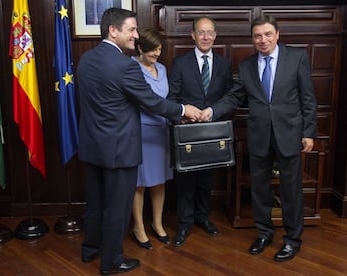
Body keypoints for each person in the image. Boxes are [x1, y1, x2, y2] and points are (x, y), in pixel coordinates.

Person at [76, 8, 201, 275]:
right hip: (120, 149)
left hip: (92, 146)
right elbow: (152, 102)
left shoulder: (86, 59)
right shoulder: (124, 66)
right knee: (117, 208)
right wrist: (182, 110)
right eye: (131, 29)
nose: (136, 35)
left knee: (95, 202)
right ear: (113, 30)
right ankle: (111, 262)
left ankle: (91, 250)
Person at [202, 15, 317, 262]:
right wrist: (211, 111)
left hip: (290, 134)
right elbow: (234, 97)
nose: (262, 40)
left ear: (277, 34)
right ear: (252, 39)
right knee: (259, 189)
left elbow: (308, 98)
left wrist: (309, 132)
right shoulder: (246, 66)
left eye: (267, 34)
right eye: (257, 36)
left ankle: (292, 240)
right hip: (259, 136)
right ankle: (264, 233)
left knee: (291, 190)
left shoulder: (297, 58)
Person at [167, 16, 234, 247]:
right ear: (193, 35)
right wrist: (184, 114)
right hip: (187, 134)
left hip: (213, 134)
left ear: (215, 36)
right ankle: (184, 225)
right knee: (185, 182)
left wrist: (214, 110)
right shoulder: (180, 63)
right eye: (201, 32)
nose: (205, 37)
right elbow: (172, 98)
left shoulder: (224, 64)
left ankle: (203, 218)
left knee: (207, 180)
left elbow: (229, 96)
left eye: (210, 33)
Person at [130, 27, 172, 249]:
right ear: (140, 48)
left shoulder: (162, 69)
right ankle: (139, 227)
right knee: (139, 184)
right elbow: (146, 101)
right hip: (141, 132)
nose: (157, 54)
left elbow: (165, 99)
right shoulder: (131, 68)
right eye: (152, 50)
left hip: (161, 131)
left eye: (159, 50)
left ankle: (157, 224)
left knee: (159, 181)